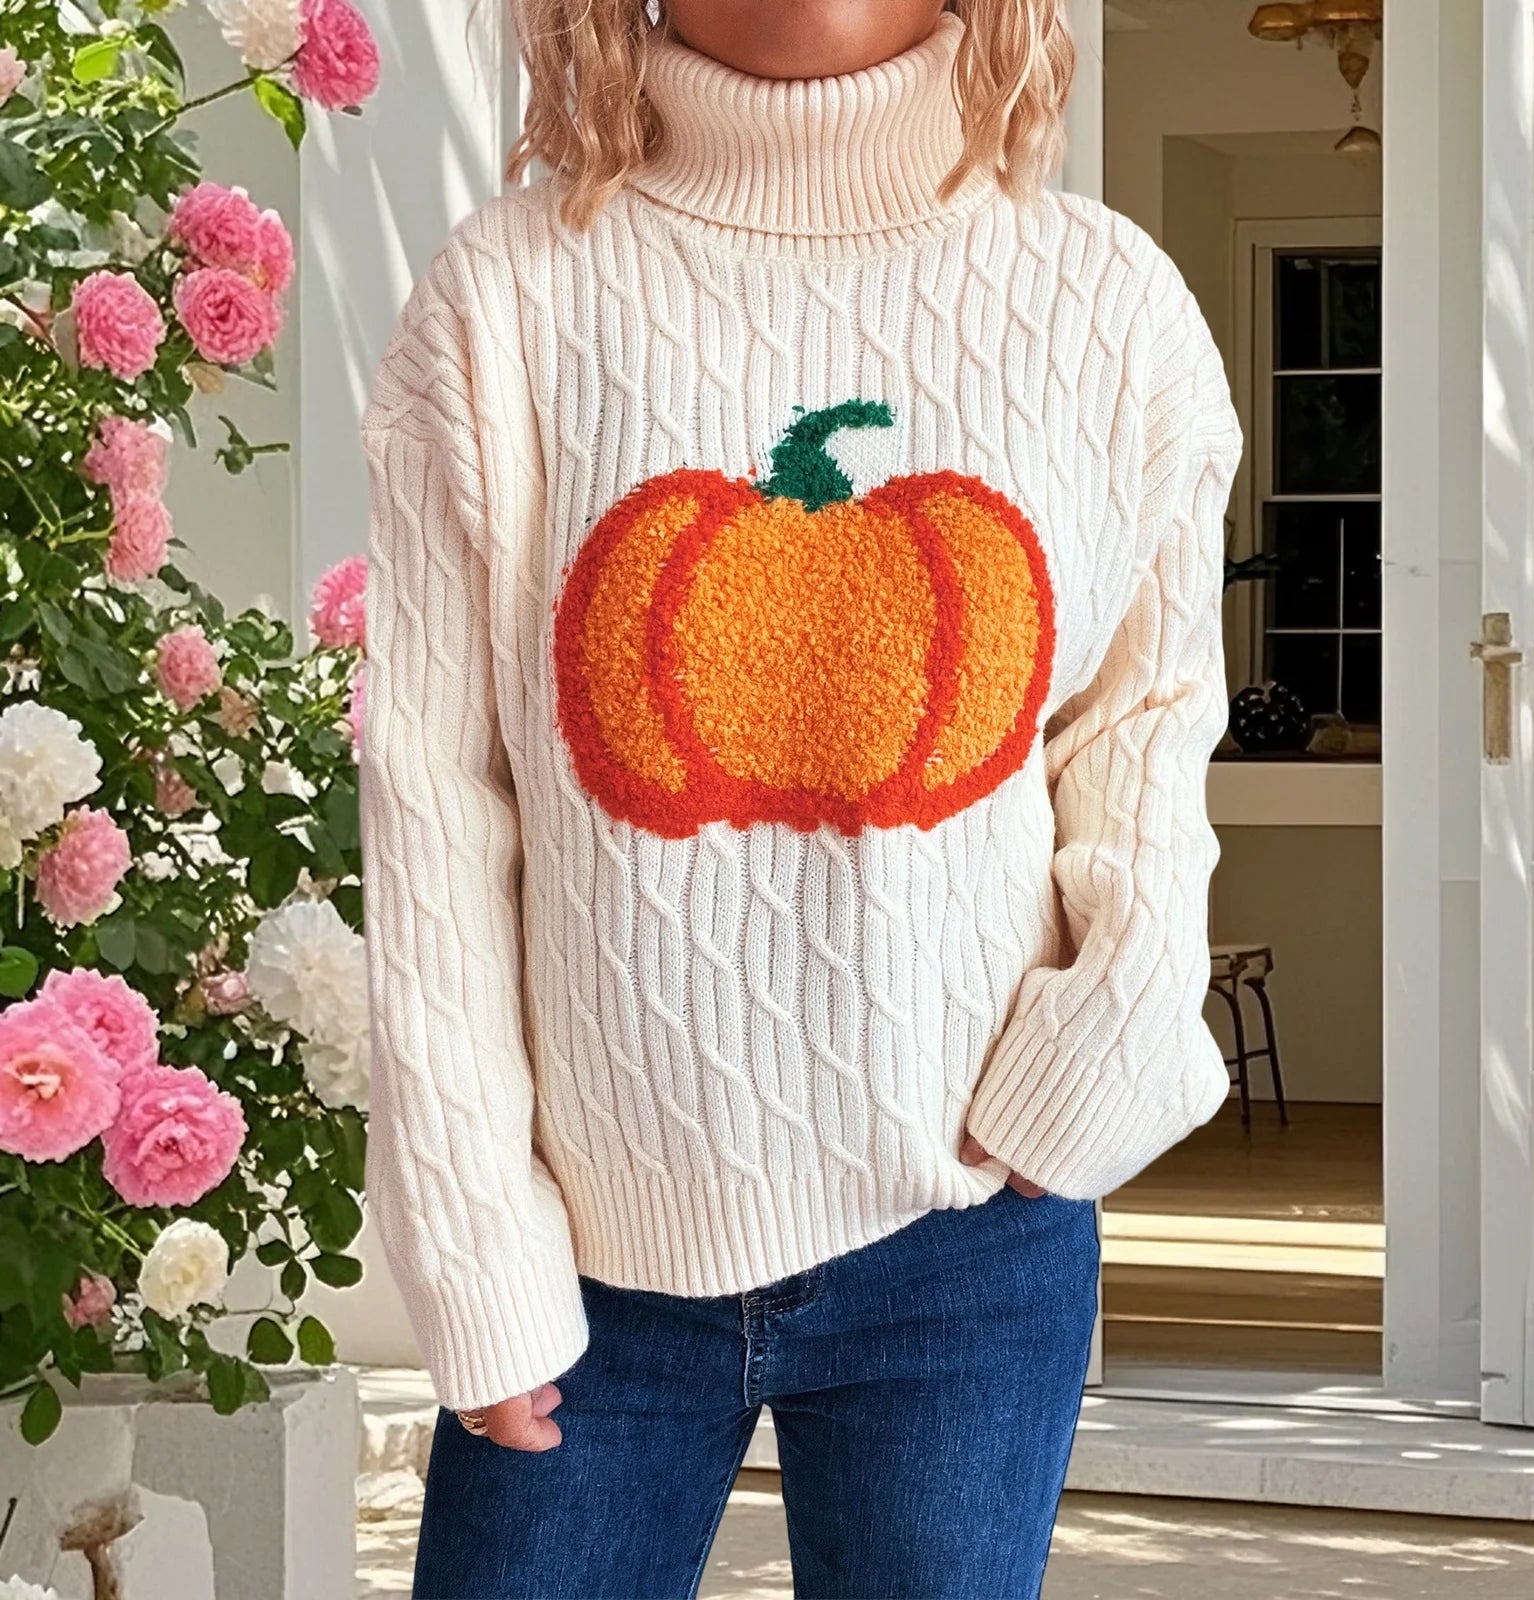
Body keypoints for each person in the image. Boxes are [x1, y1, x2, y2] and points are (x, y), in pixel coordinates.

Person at [357, 1, 1242, 1594]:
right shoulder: (505, 297)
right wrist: (471, 1237)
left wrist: (1102, 1053)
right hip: (583, 1263)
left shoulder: (1110, 308)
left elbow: (1149, 730)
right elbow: (433, 799)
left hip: (969, 1229)